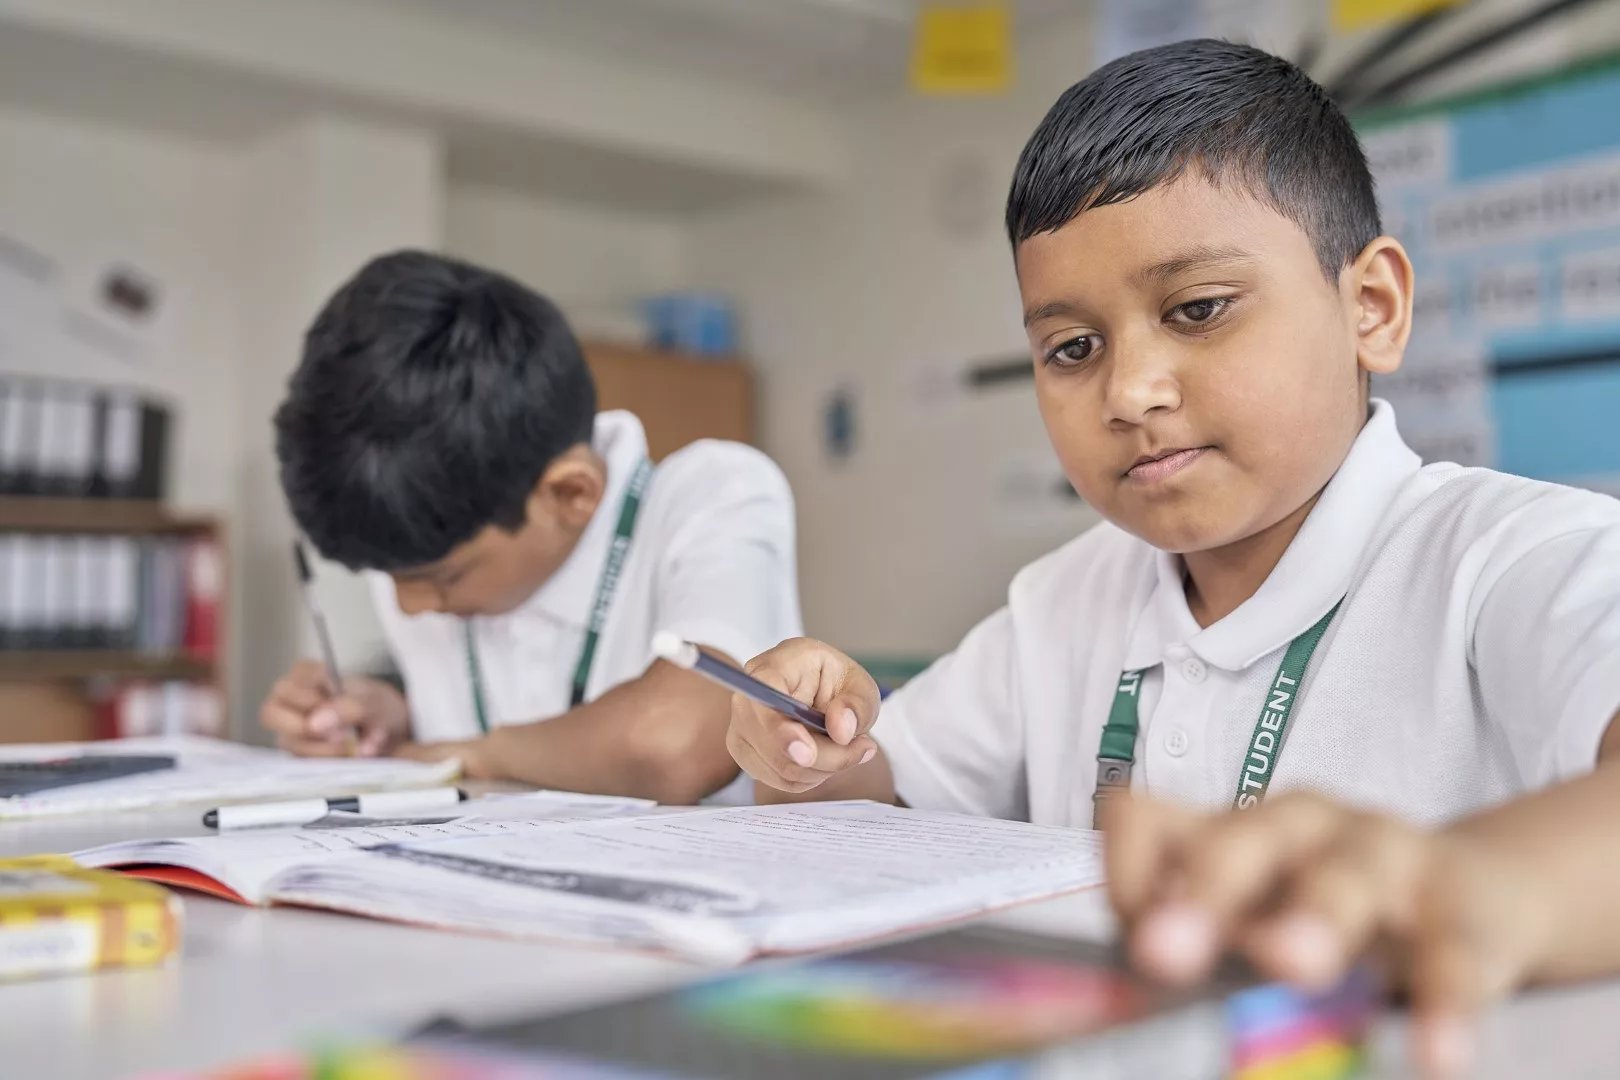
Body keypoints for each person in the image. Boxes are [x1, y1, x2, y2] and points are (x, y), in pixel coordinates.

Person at [723, 40, 1620, 1074]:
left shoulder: (1513, 560)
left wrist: (1468, 887)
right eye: (1073, 348)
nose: (1129, 392)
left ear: (1370, 308)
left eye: (1197, 310)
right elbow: (883, 806)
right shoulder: (1062, 600)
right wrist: (810, 753)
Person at [261, 250, 801, 805]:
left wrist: (468, 755)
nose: (410, 607)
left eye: (444, 577)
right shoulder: (436, 533)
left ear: (571, 494)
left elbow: (674, 743)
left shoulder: (715, 494)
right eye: (388, 576)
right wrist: (389, 718)